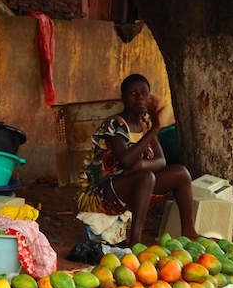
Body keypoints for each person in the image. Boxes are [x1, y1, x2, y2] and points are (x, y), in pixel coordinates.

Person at [77, 74, 199, 246]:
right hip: (101, 192)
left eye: (144, 93)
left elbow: (161, 161)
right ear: (123, 98)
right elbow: (125, 161)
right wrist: (155, 130)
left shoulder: (145, 124)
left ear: (150, 97)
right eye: (132, 93)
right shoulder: (114, 125)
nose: (139, 97)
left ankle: (189, 231)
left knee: (180, 173)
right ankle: (135, 242)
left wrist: (141, 164)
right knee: (146, 176)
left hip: (136, 184)